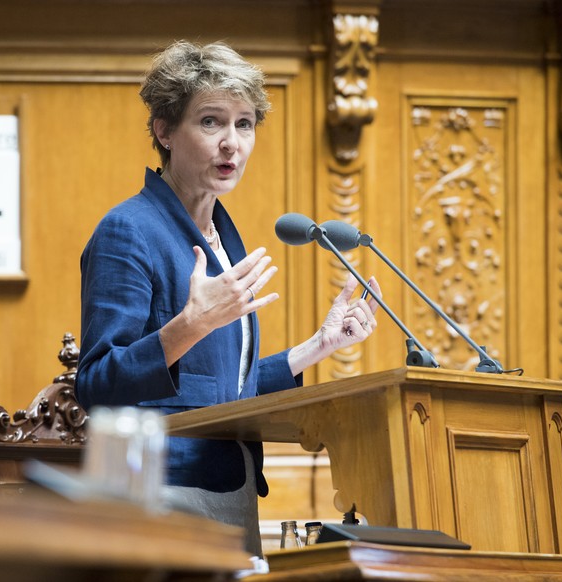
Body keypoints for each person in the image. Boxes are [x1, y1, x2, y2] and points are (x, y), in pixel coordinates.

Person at [75, 40, 380, 556]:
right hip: (162, 499)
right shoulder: (129, 231)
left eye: (245, 124)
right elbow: (96, 384)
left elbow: (218, 386)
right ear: (165, 131)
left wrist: (317, 346)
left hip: (229, 490)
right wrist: (189, 326)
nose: (231, 144)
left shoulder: (220, 234)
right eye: (212, 121)